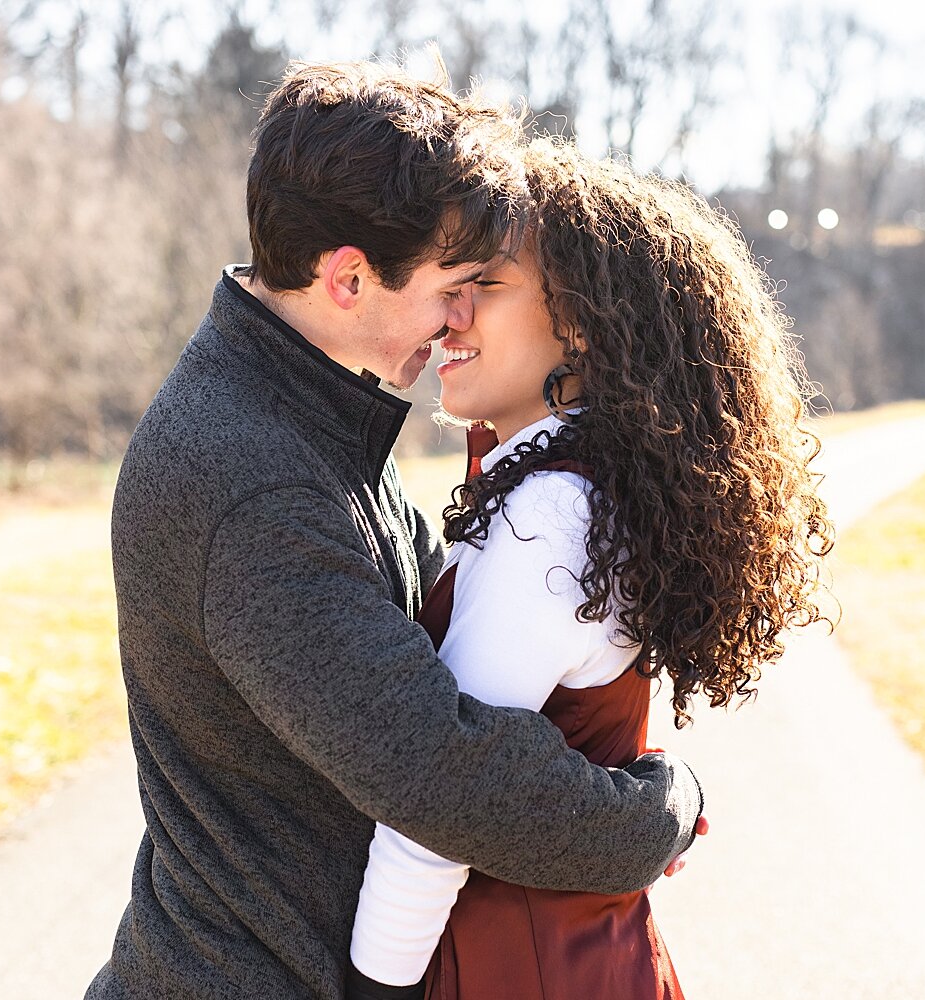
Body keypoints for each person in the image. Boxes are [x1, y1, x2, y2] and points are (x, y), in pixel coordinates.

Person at [83, 63, 705, 1000]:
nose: (462, 318)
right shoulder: (254, 477)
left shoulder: (310, 418)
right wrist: (656, 817)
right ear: (347, 278)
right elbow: (440, 767)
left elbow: (447, 654)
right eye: (454, 285)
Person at [346, 140, 834, 999]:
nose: (447, 314)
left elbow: (444, 797)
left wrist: (374, 985)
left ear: (581, 321)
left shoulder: (550, 514)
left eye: (483, 286)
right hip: (583, 961)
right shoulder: (579, 487)